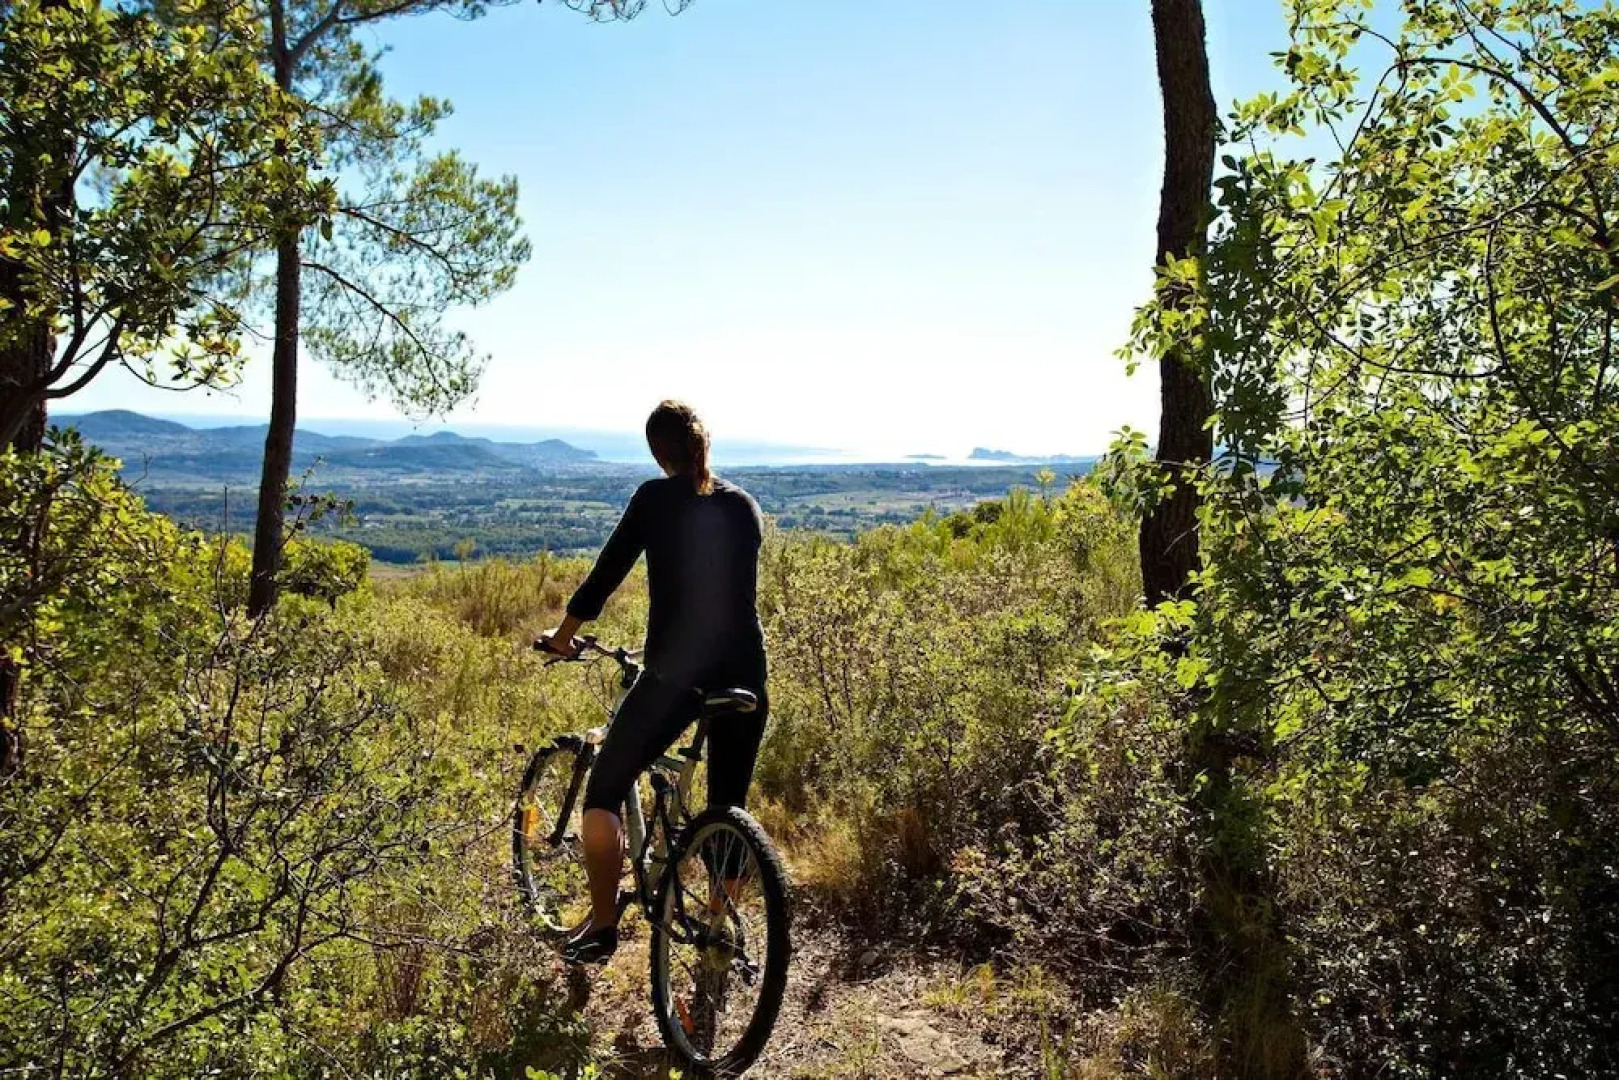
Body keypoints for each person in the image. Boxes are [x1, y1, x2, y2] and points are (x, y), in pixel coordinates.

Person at [538, 400, 769, 965]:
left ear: (655, 452)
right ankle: (718, 935)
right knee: (727, 809)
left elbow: (606, 575)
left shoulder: (653, 499)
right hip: (746, 675)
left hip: (678, 676)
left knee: (604, 793)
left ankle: (600, 926)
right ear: (702, 445)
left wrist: (565, 635)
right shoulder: (743, 505)